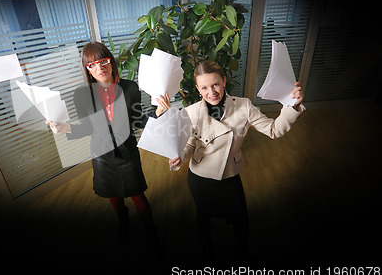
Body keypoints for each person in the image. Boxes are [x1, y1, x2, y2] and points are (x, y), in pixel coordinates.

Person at [168, 61, 305, 261]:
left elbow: (274, 130)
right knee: (203, 215)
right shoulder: (191, 112)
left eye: (215, 84)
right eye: (204, 87)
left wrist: (292, 106)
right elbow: (189, 145)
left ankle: (242, 252)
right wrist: (179, 157)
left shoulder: (244, 106)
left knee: (240, 218)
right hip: (200, 177)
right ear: (197, 88)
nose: (211, 92)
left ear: (224, 81)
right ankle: (206, 250)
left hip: (229, 175)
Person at [47, 42, 170, 250]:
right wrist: (65, 128)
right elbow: (86, 129)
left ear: (111, 62)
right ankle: (123, 223)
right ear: (87, 69)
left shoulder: (130, 88)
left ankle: (151, 229)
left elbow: (138, 122)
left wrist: (157, 112)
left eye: (103, 61)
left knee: (137, 194)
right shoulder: (81, 94)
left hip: (128, 151)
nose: (99, 68)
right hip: (101, 155)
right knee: (113, 195)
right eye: (92, 65)